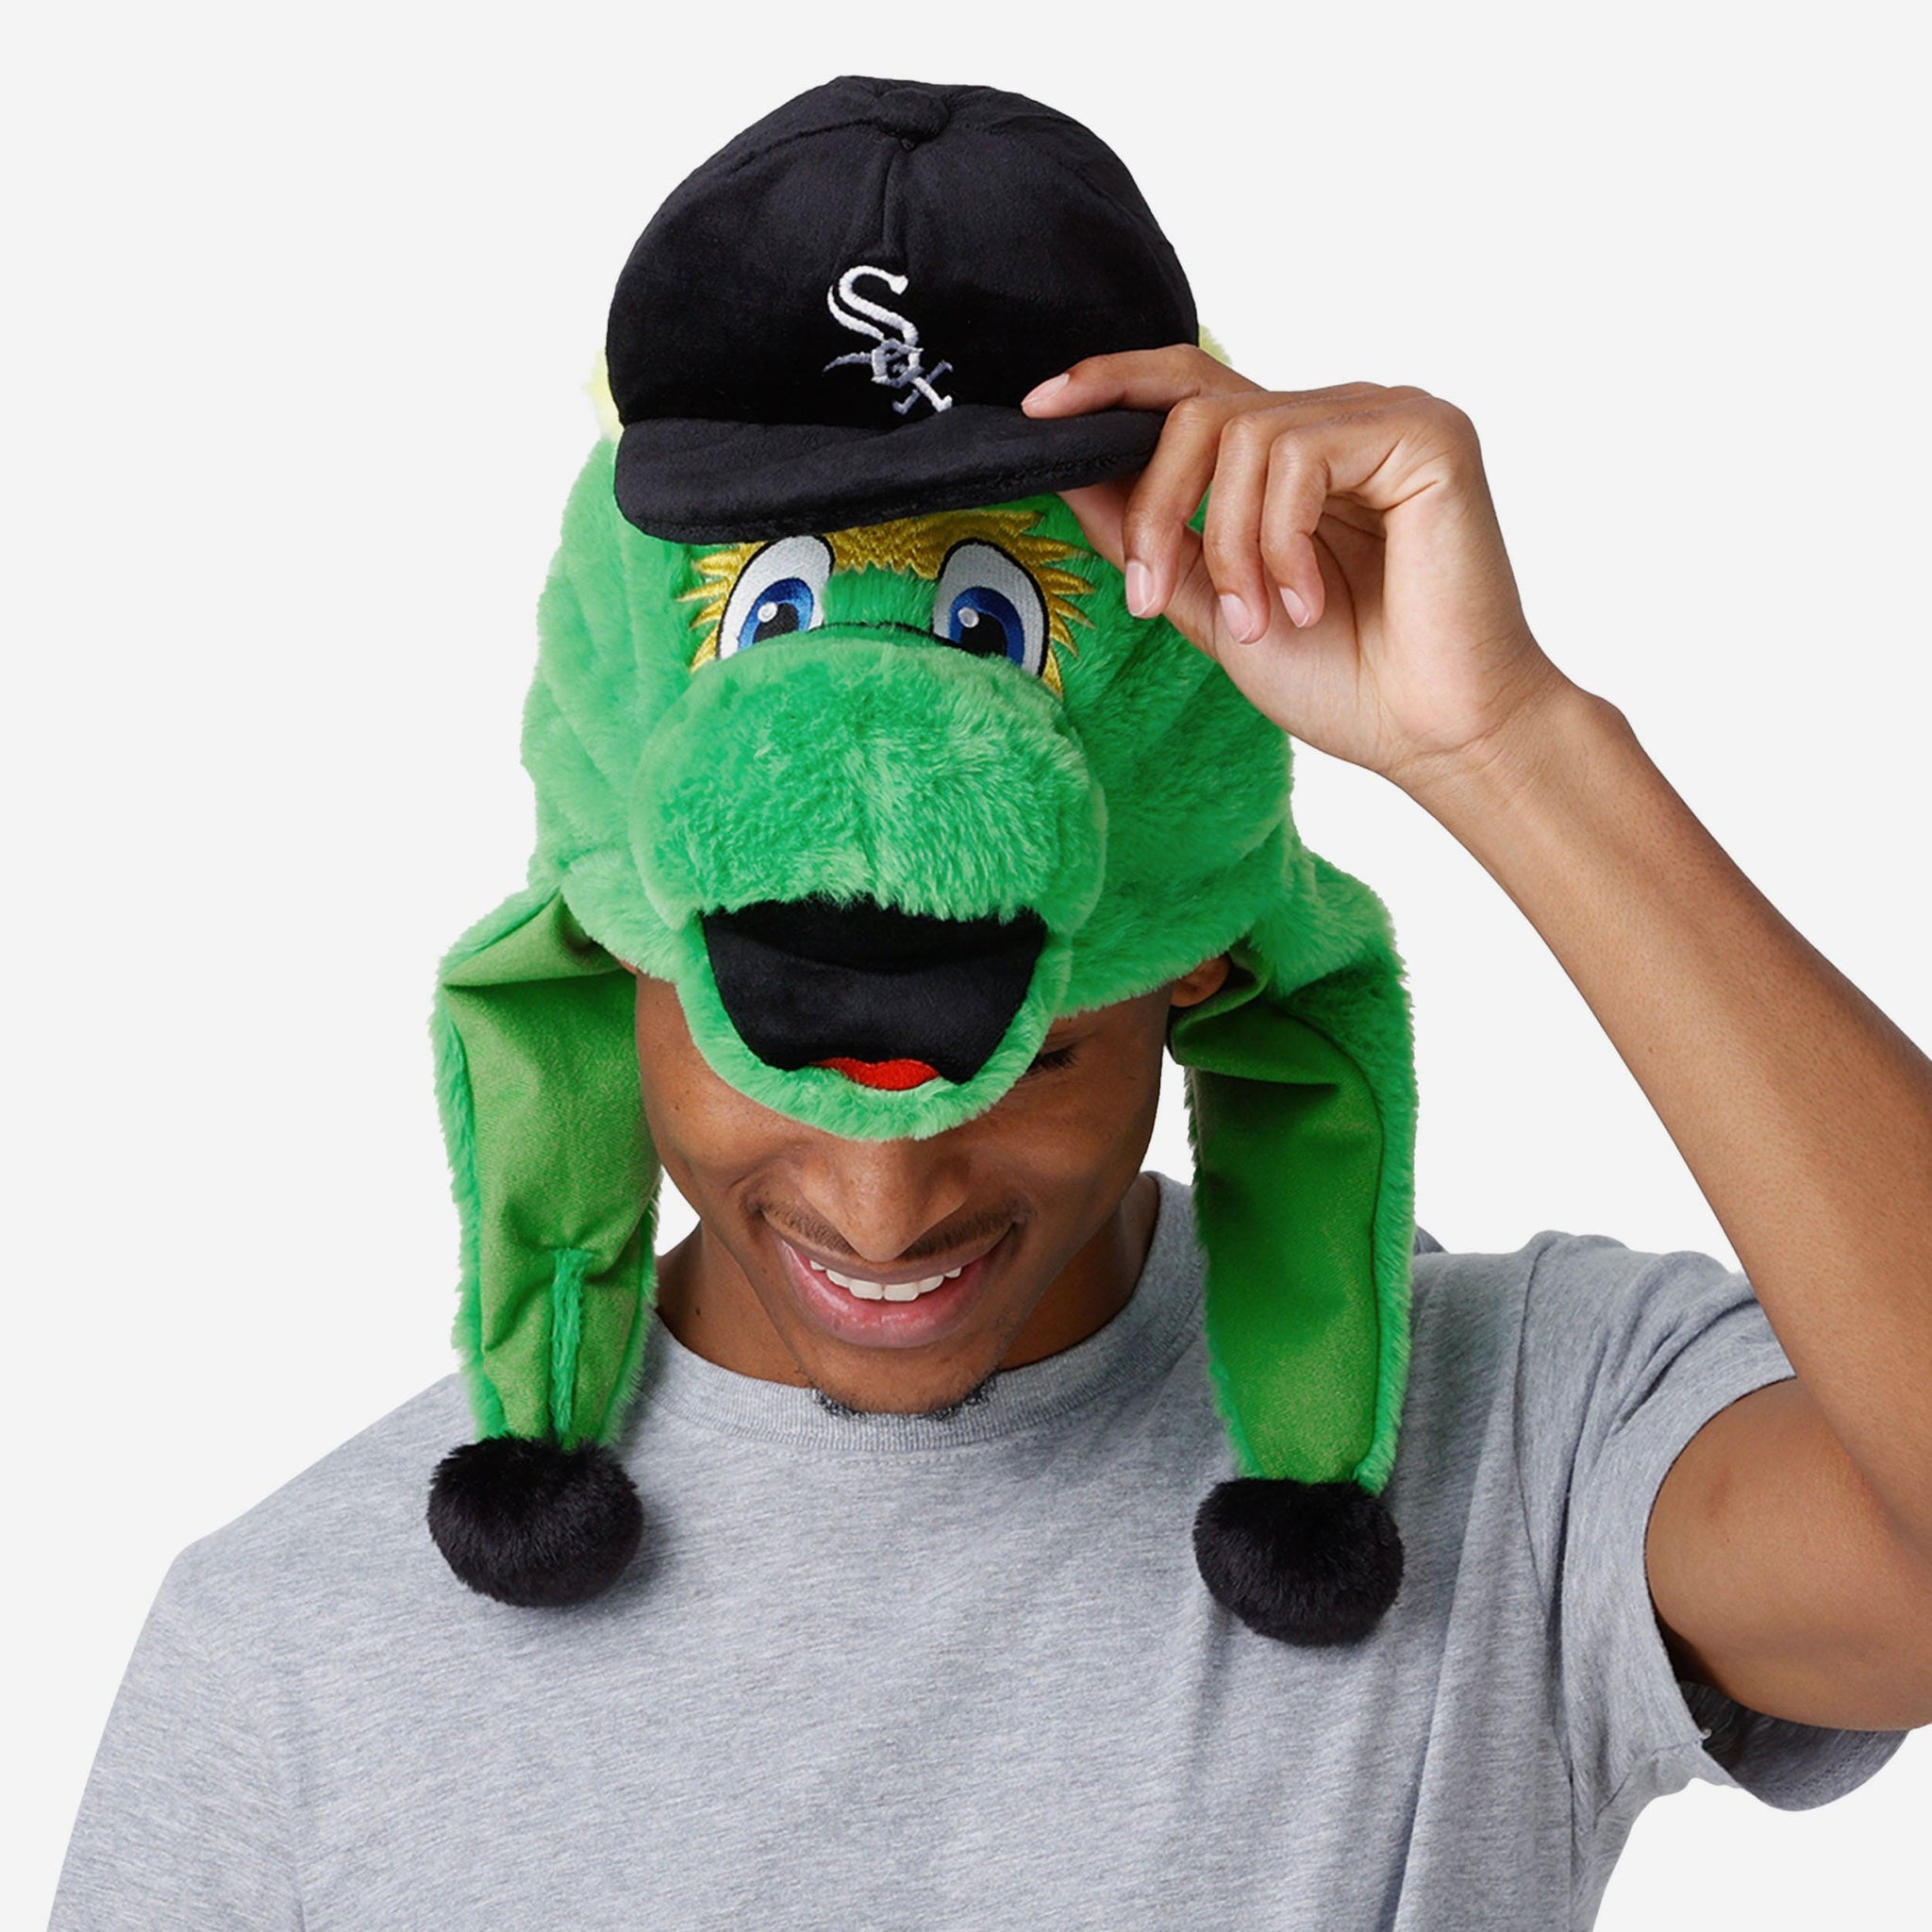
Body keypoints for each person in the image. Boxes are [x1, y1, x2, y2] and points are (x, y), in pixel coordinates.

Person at [49, 74, 1929, 1932]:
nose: (884, 1206)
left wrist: (1506, 744)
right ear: (617, 953)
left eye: (1027, 1054)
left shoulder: (1516, 1450)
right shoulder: (283, 1665)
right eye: (778, 1044)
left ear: (1195, 971)